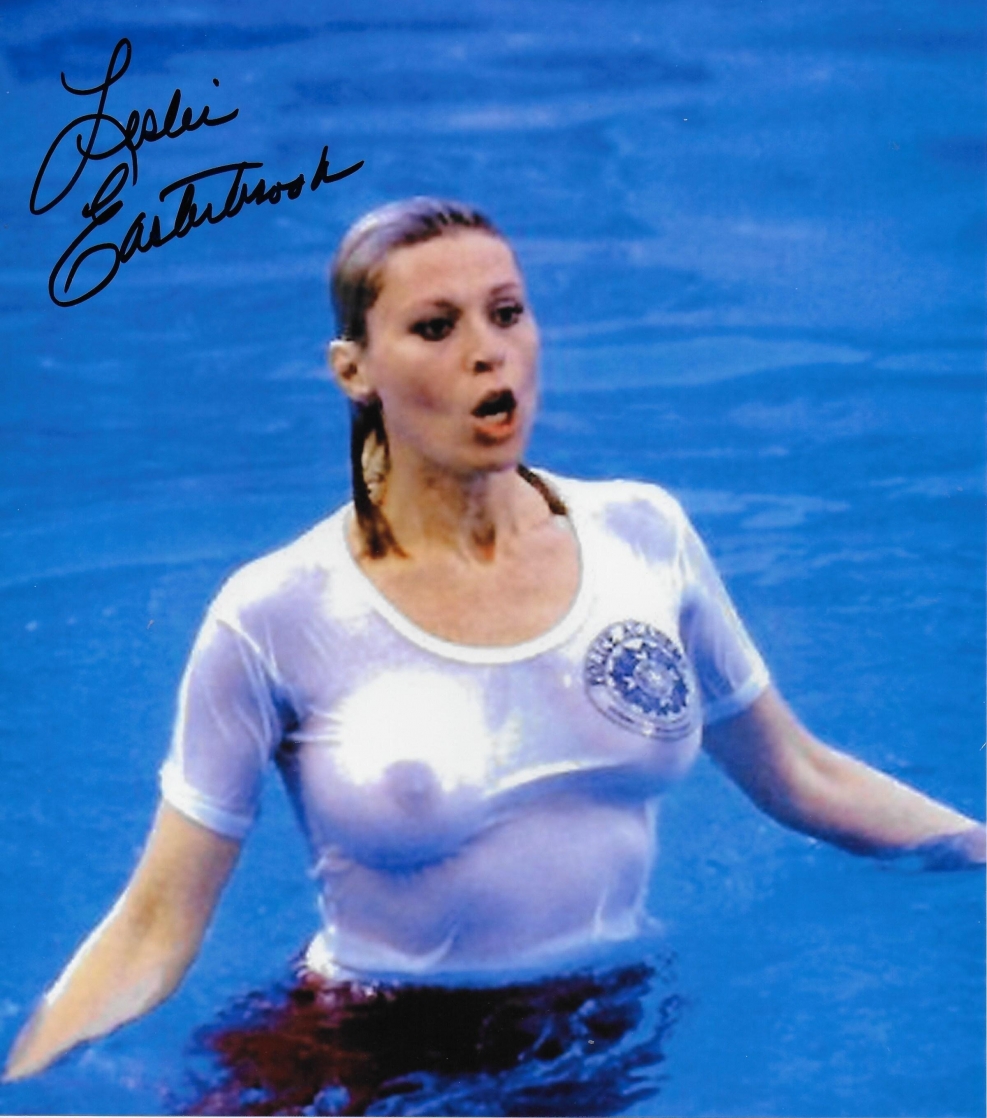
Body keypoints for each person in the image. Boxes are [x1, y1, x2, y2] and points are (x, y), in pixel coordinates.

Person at [5, 198, 984, 1110]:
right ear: (354, 370)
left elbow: (803, 776)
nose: (488, 352)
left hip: (604, 1028)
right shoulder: (273, 614)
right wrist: (22, 1084)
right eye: (436, 327)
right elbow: (153, 927)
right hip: (362, 1057)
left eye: (507, 313)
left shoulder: (644, 536)